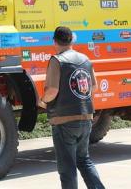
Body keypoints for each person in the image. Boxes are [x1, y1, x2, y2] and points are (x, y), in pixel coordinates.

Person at [39, 26, 105, 189]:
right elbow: (93, 87)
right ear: (72, 40)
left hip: (64, 121)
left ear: (54, 41)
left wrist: (43, 101)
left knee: (67, 167)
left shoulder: (57, 60)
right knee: (84, 160)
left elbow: (52, 90)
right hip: (86, 117)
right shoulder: (85, 59)